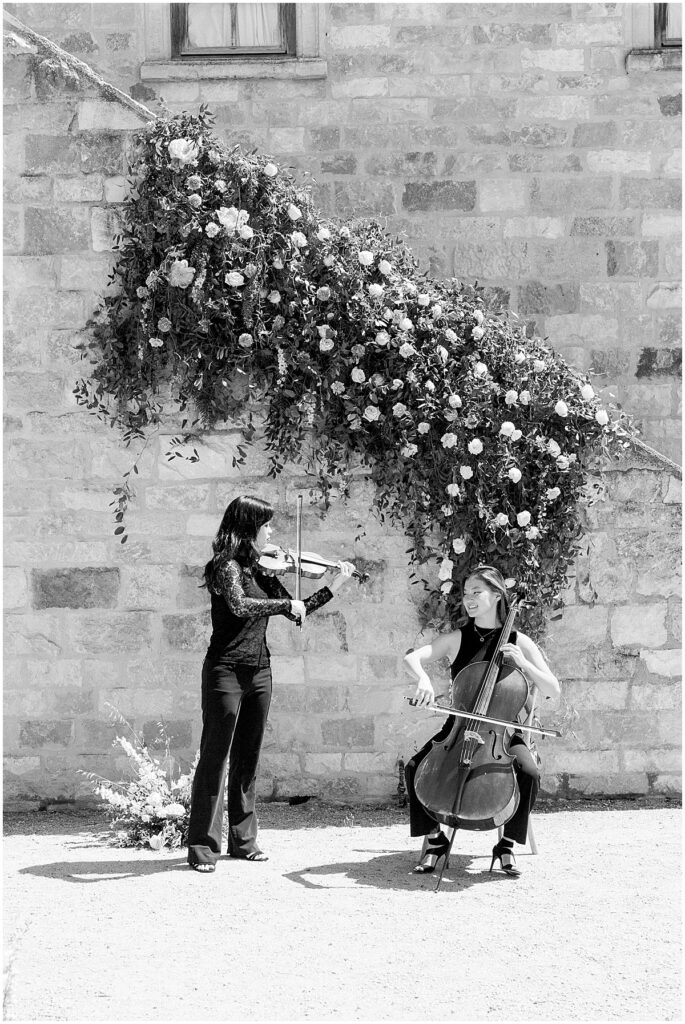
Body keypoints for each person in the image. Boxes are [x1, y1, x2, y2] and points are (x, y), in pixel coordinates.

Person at [187, 494, 356, 873]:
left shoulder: (264, 570)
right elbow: (240, 606)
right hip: (225, 671)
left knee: (248, 760)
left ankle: (243, 842)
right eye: (266, 526)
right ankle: (202, 848)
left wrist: (333, 584)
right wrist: (284, 606)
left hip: (260, 671)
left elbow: (301, 610)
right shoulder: (224, 567)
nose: (272, 532)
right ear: (249, 528)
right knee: (216, 759)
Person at [402, 565, 560, 877]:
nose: (469, 599)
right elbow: (412, 658)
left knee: (528, 772)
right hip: (458, 731)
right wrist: (422, 679)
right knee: (413, 767)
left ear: (498, 595)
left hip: (503, 732)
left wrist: (523, 662)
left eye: (477, 592)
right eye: (466, 593)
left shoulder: (519, 640)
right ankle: (435, 840)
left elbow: (553, 688)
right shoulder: (457, 638)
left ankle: (506, 846)